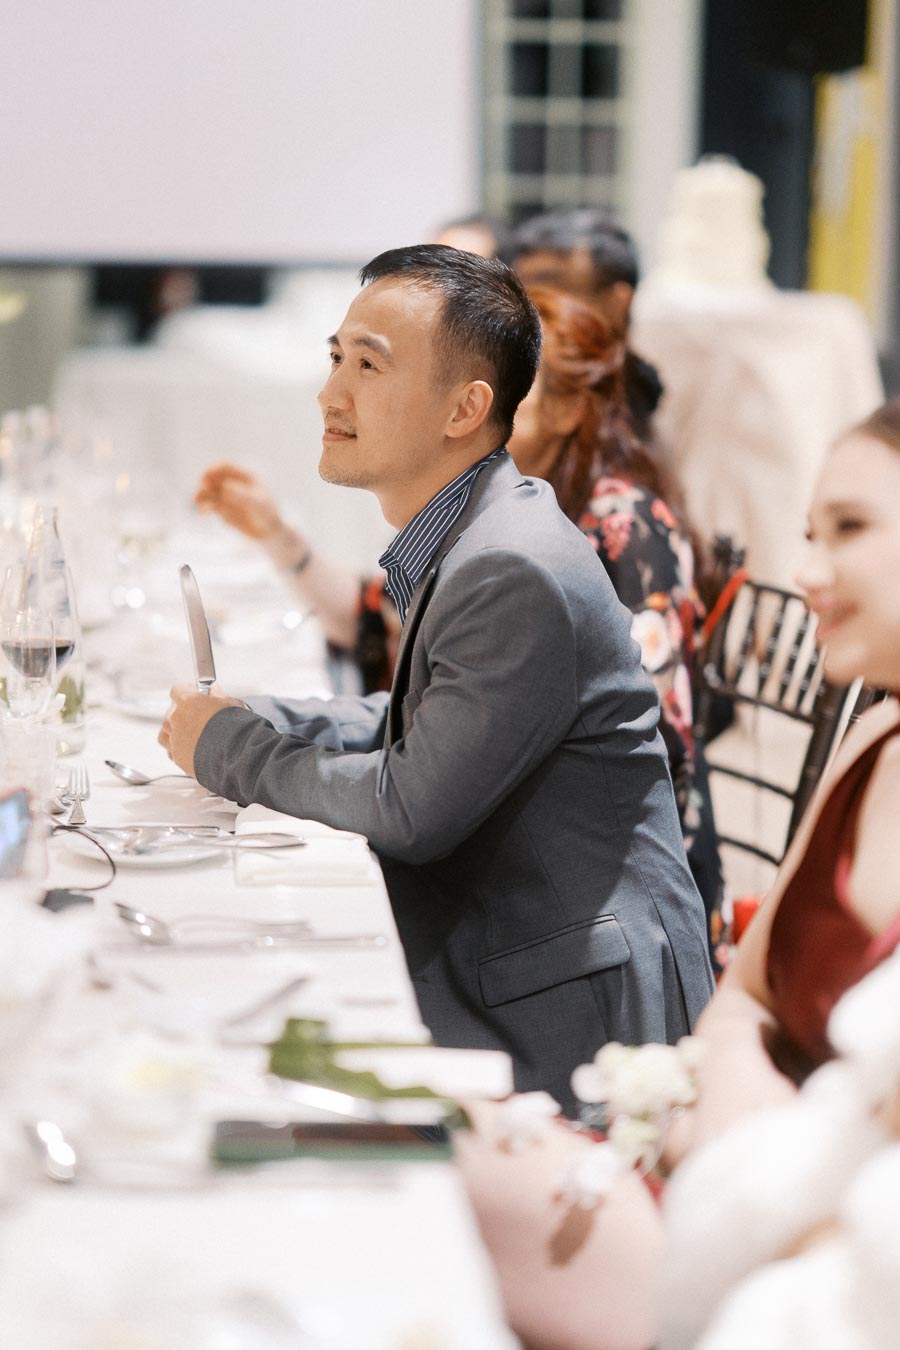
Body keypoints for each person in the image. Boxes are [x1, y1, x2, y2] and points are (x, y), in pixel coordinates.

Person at [163, 244, 713, 1108]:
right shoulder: (479, 529)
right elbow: (418, 720)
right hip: (522, 946)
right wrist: (260, 713)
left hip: (579, 1005)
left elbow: (410, 808)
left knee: (239, 1038)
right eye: (336, 357)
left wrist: (232, 750)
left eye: (369, 365)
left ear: (467, 407)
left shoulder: (512, 564)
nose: (330, 393)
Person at [452, 399, 900, 1349]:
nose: (807, 575)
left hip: (843, 1274)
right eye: (808, 536)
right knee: (438, 1157)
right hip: (744, 1185)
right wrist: (739, 1154)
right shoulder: (875, 737)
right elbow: (746, 996)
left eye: (851, 531)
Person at [507, 286, 722, 952]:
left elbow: (656, 746)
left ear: (570, 407)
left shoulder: (624, 526)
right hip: (547, 851)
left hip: (627, 892)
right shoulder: (513, 506)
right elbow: (388, 624)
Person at [510, 207, 663, 438]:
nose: (532, 315)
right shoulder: (508, 386)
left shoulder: (642, 408)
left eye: (553, 296)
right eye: (520, 295)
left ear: (617, 303)